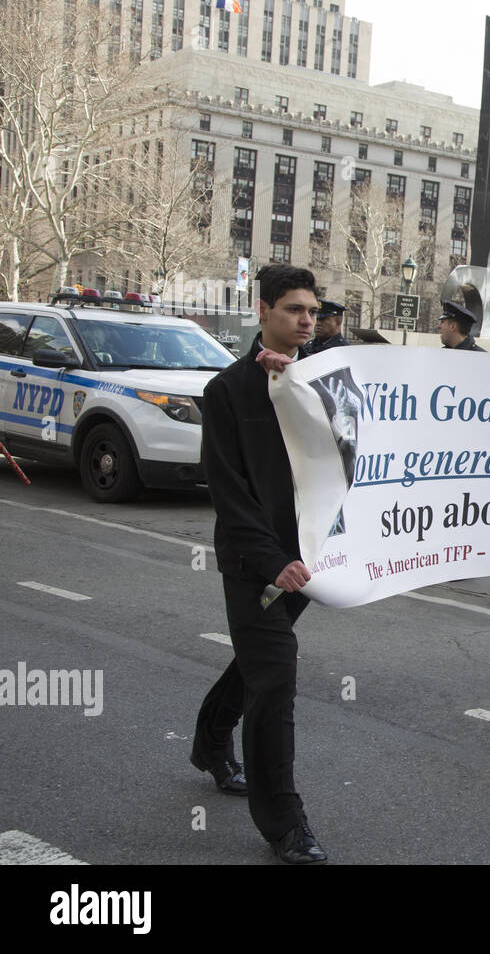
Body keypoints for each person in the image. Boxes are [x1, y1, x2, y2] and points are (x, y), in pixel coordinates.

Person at [191, 264, 328, 863]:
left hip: (311, 559)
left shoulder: (319, 379)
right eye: (295, 309)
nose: (307, 321)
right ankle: (284, 824)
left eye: (314, 312)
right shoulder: (226, 392)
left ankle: (210, 740)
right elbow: (229, 490)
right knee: (275, 679)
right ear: (263, 311)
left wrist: (295, 383)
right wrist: (272, 561)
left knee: (257, 660)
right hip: (256, 564)